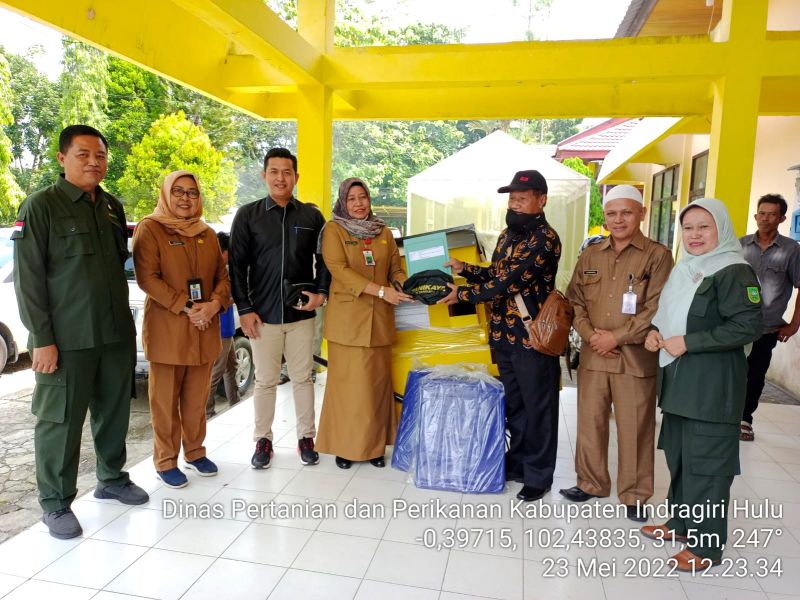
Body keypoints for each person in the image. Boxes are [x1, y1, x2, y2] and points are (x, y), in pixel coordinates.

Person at [12, 124, 148, 539]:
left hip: (113, 335)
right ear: (62, 158)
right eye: (83, 154)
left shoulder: (111, 207)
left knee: (114, 412)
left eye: (100, 156)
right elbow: (29, 280)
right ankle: (55, 503)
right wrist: (42, 339)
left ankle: (111, 479)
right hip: (66, 340)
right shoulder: (41, 206)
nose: (94, 162)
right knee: (59, 422)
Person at [641, 198, 762, 571]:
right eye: (688, 227)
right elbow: (674, 315)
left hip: (712, 389)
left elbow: (748, 325)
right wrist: (655, 333)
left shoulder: (733, 271)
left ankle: (707, 547)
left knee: (708, 465)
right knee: (679, 456)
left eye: (703, 227)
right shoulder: (689, 268)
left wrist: (689, 342)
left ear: (721, 229)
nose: (694, 235)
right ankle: (680, 523)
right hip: (680, 384)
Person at [438, 170, 561, 502]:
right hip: (503, 336)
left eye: (522, 198)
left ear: (541, 200)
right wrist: (467, 270)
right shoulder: (508, 235)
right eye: (511, 198)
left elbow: (510, 283)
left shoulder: (545, 239)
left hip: (533, 338)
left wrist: (462, 296)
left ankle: (539, 476)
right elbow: (496, 273)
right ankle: (518, 464)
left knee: (539, 409)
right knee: (516, 406)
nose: (515, 203)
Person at [560, 185, 673, 522]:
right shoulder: (591, 254)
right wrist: (592, 336)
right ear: (605, 216)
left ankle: (635, 494)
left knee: (635, 427)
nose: (618, 219)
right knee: (589, 424)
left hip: (634, 358)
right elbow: (574, 300)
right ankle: (591, 482)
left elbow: (657, 307)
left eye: (626, 212)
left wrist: (616, 338)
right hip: (595, 356)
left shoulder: (657, 255)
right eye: (612, 213)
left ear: (641, 213)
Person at [229, 147, 330, 469]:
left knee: (303, 378)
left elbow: (325, 260)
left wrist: (321, 294)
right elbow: (236, 266)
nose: (280, 178)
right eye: (274, 172)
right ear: (264, 175)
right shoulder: (248, 215)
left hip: (301, 315)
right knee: (265, 381)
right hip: (263, 316)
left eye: (287, 172)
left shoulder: (311, 217)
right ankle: (263, 440)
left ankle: (306, 438)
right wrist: (245, 309)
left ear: (296, 177)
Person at [133, 170, 230, 488]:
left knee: (196, 399)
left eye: (192, 192)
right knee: (164, 401)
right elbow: (148, 279)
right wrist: (188, 307)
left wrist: (213, 305)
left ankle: (195, 451)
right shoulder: (151, 228)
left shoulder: (208, 233)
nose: (186, 198)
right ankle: (164, 460)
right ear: (165, 194)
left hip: (204, 329)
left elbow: (222, 277)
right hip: (169, 329)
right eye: (178, 191)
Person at [315, 178, 412, 469]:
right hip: (348, 322)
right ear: (343, 202)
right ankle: (346, 448)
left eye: (363, 197)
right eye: (352, 199)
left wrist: (405, 284)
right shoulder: (334, 229)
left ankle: (373, 448)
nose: (358, 204)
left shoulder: (383, 231)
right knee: (347, 389)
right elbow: (339, 270)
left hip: (380, 320)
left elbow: (395, 266)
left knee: (376, 388)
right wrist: (382, 291)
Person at [739, 194, 800, 441]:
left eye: (772, 214)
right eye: (761, 213)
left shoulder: (791, 250)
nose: (765, 218)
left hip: (767, 328)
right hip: (735, 325)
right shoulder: (740, 245)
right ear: (755, 215)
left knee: (755, 375)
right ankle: (725, 416)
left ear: (782, 218)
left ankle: (745, 420)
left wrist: (795, 324)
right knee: (732, 373)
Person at [206, 231, 240, 418]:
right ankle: (207, 411)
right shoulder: (212, 272)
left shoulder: (223, 269)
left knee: (231, 366)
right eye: (227, 252)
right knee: (216, 372)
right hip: (220, 328)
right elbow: (219, 300)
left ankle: (235, 402)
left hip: (228, 326)